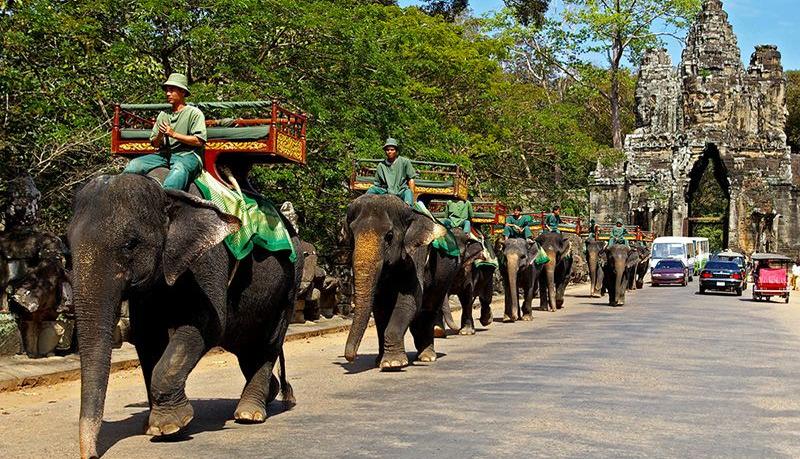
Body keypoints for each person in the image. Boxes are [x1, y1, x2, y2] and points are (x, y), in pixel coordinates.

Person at [123, 73, 207, 190]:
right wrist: (160, 135)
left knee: (178, 171)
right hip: (165, 155)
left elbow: (199, 141)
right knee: (133, 165)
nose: (168, 94)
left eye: (172, 90)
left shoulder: (194, 113)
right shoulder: (163, 114)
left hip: (187, 155)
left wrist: (173, 134)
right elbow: (155, 144)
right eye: (167, 90)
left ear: (182, 92)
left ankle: (169, 201)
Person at [366, 138, 417, 206]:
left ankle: (409, 208)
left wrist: (412, 195)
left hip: (401, 190)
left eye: (392, 149)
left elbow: (411, 179)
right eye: (387, 150)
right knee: (372, 190)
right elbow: (377, 184)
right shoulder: (381, 165)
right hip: (386, 191)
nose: (389, 151)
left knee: (408, 193)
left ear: (396, 151)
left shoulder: (405, 162)